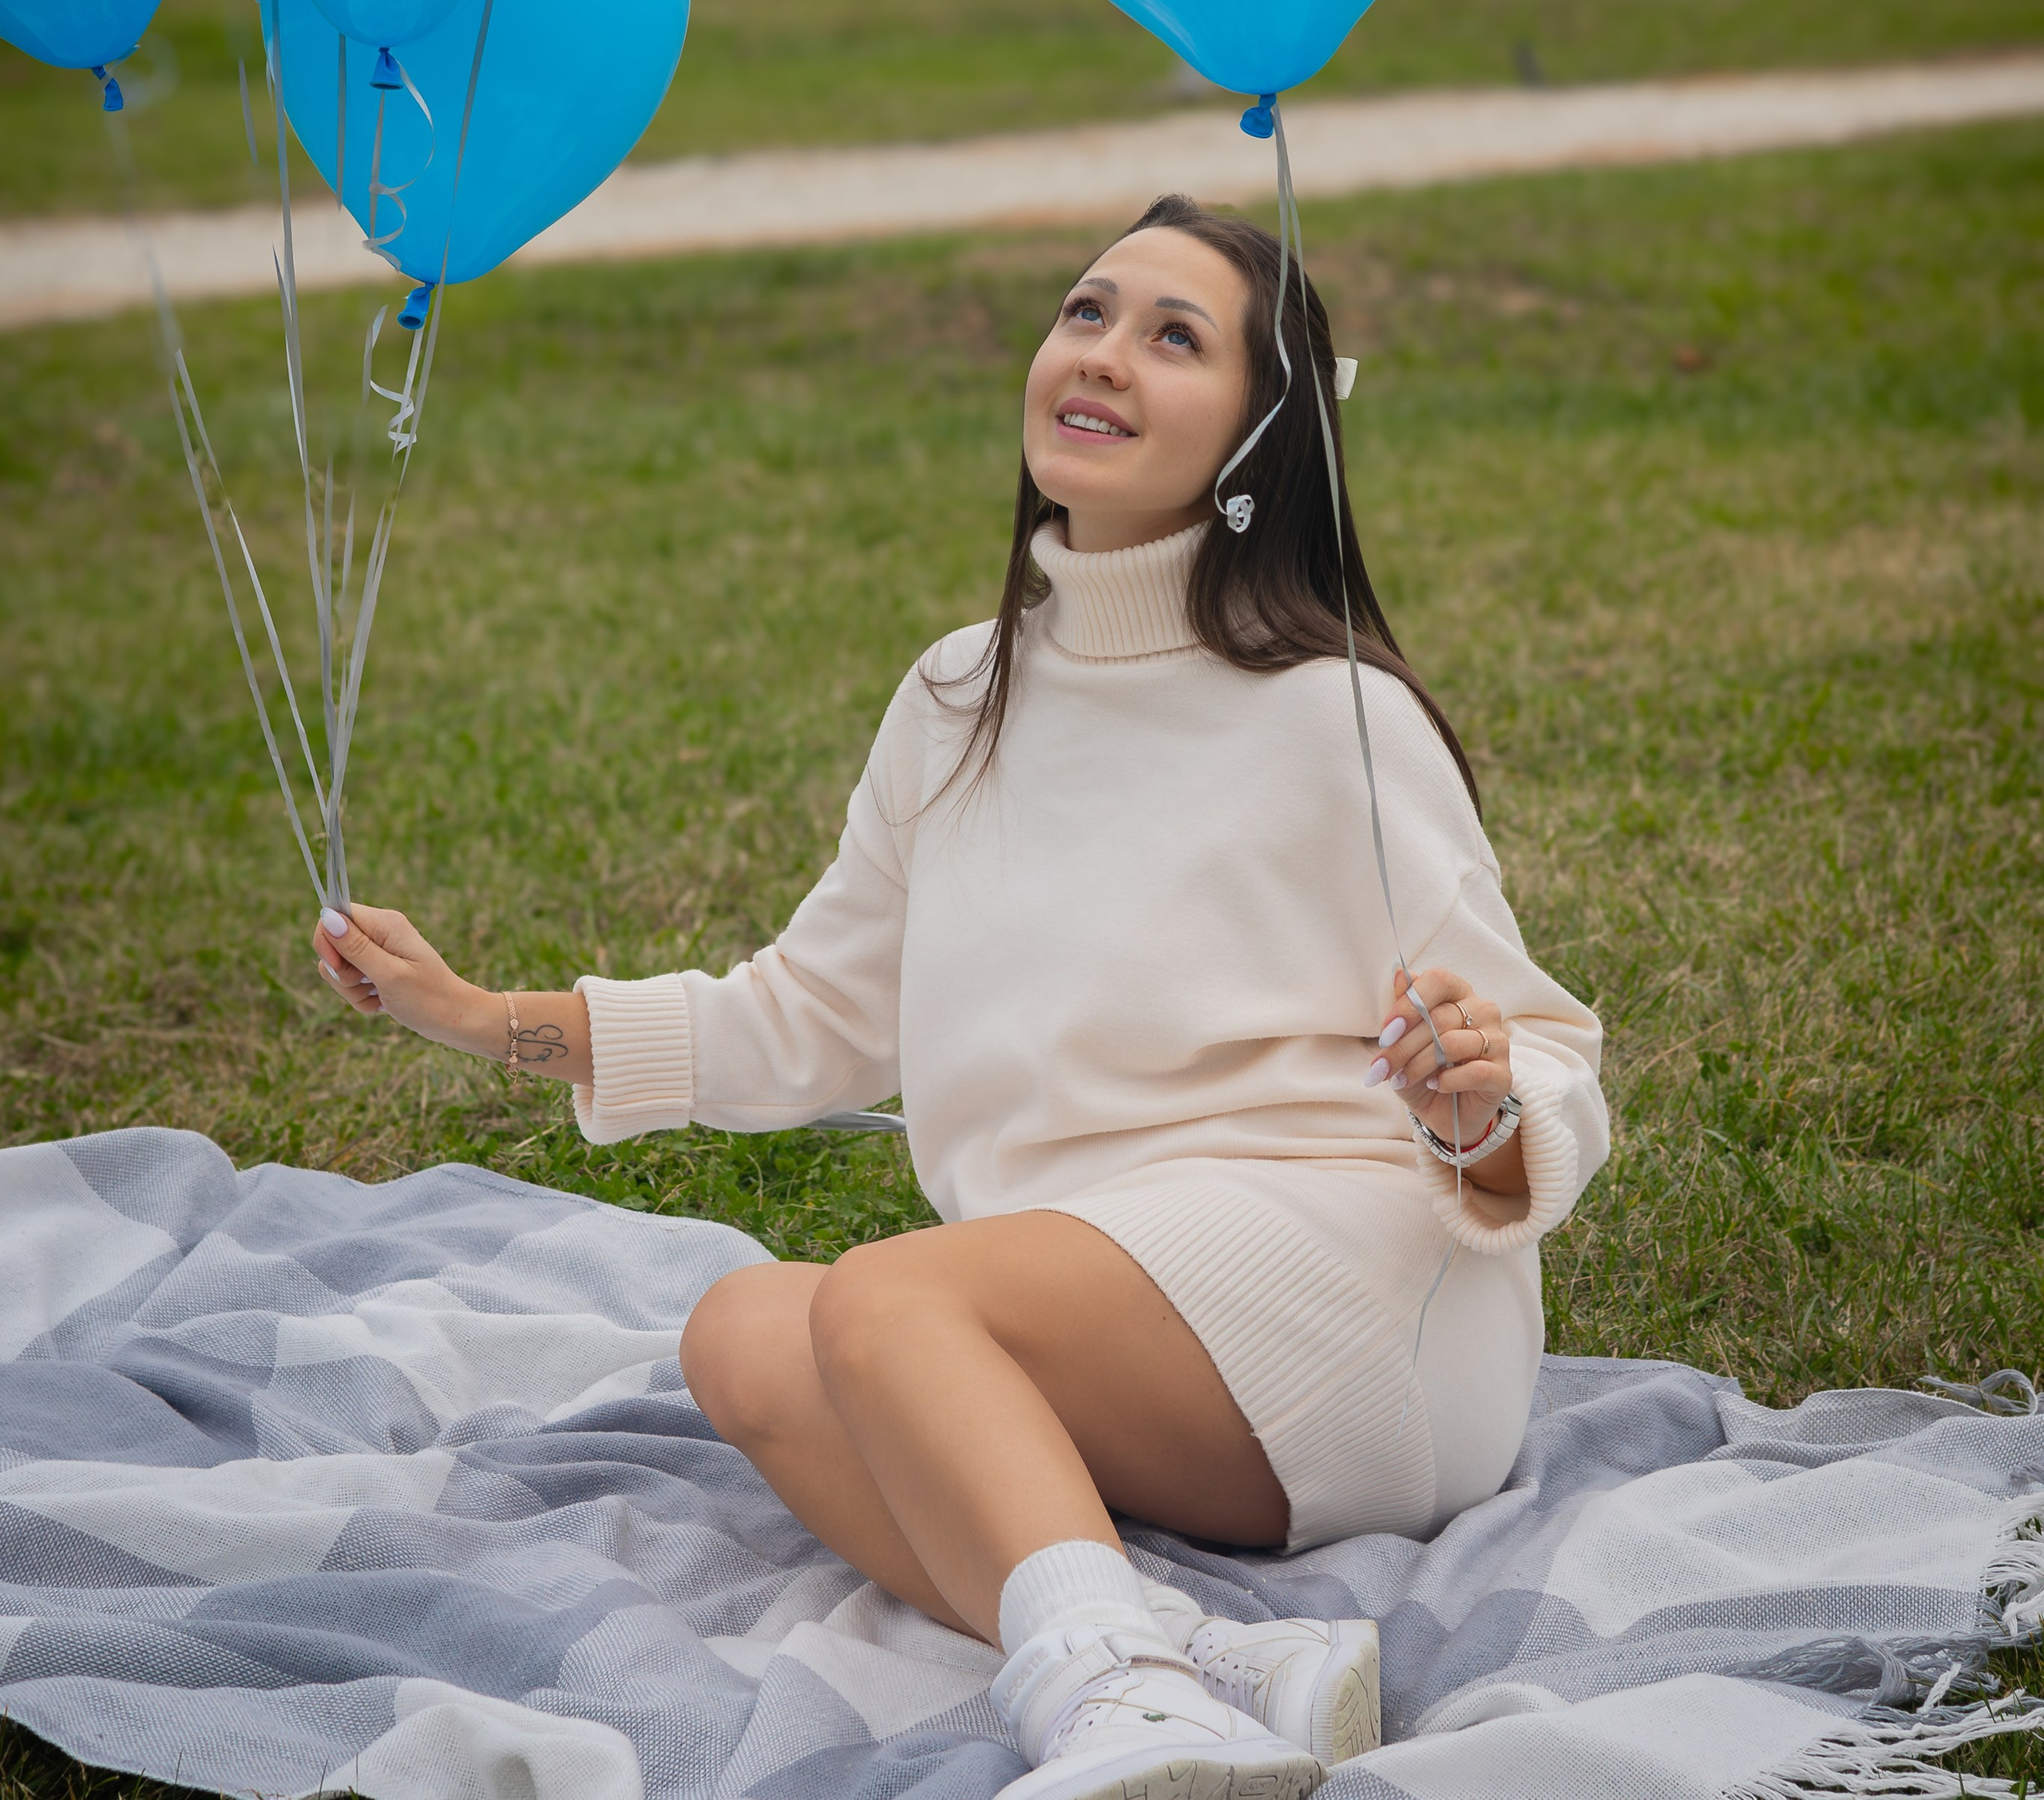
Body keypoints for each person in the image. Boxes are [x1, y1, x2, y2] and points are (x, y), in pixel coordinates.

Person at [315, 194, 1607, 1800]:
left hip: (1354, 1303)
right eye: (1086, 311)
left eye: (1175, 336)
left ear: (1261, 434)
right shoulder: (954, 697)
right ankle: (1192, 1660)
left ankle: (1112, 1699)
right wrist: (481, 1013)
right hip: (1094, 1317)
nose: (1104, 354)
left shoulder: (1328, 711)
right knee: (746, 1336)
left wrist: (1478, 1107)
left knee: (882, 1296)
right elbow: (806, 1018)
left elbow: (1540, 1055)